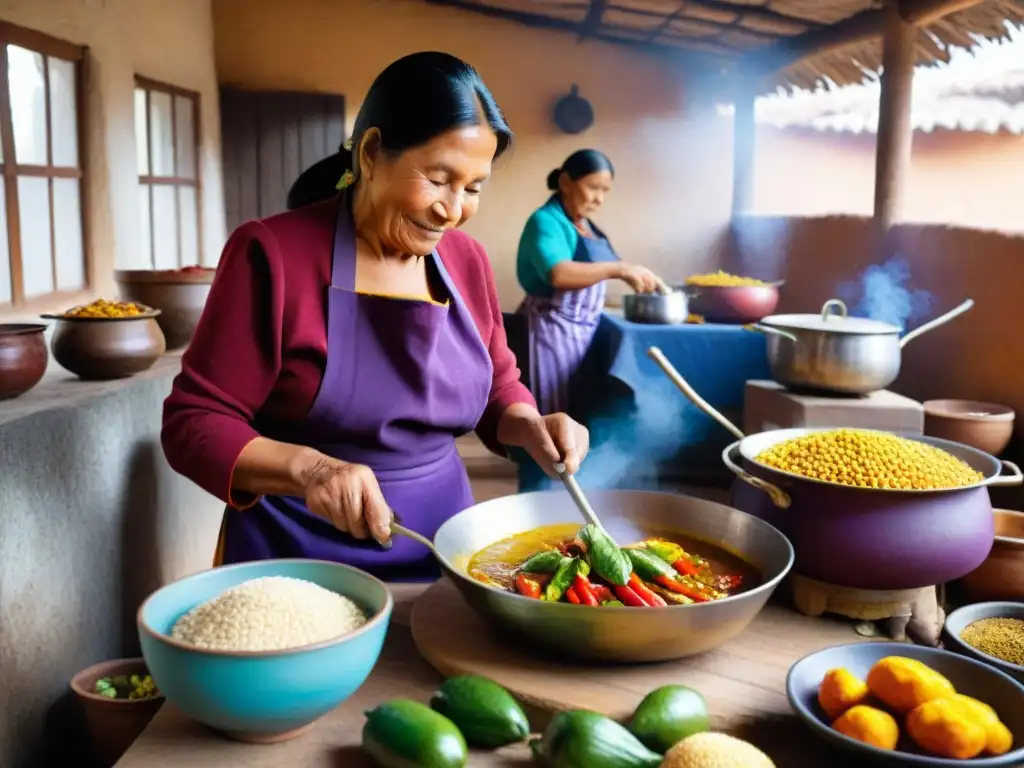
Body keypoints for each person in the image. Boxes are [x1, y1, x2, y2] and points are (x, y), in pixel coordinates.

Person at [162, 52, 590, 581]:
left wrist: (529, 424)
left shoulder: (466, 261)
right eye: (438, 179)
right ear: (369, 153)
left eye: (474, 187)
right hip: (295, 557)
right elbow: (193, 423)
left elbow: (499, 383)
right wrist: (312, 470)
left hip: (445, 549)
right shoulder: (272, 253)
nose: (453, 210)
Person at [515, 149, 662, 415]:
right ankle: (546, 458)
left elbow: (602, 272)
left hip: (586, 329)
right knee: (553, 409)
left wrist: (636, 277)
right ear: (565, 183)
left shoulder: (585, 225)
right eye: (593, 188)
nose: (599, 199)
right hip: (553, 330)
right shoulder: (546, 221)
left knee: (579, 404)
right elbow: (558, 274)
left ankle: (571, 457)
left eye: (605, 191)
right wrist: (619, 268)